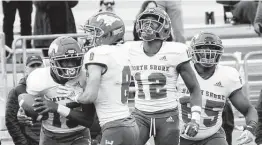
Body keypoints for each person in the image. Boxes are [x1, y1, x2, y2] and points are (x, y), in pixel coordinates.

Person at [128, 7, 202, 145]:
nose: (147, 25)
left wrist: (195, 119)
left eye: (153, 21)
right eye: (145, 21)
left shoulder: (176, 52)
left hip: (167, 115)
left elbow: (194, 88)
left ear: (165, 28)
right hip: (140, 115)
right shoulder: (130, 49)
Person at [176, 32, 258, 145]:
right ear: (193, 51)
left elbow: (249, 109)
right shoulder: (181, 72)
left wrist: (250, 129)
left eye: (213, 48)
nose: (208, 53)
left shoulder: (227, 76)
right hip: (179, 134)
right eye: (203, 48)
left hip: (211, 136)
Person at [75, 11, 139, 145]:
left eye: (95, 33)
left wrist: (74, 96)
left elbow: (90, 96)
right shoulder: (124, 50)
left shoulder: (98, 53)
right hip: (130, 124)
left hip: (114, 127)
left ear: (110, 34)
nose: (90, 37)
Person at [25, 36, 96, 145]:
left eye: (74, 60)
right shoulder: (39, 78)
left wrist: (57, 107)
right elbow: (29, 106)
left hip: (79, 134)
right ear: (53, 62)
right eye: (66, 61)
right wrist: (27, 113)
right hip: (51, 135)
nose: (71, 66)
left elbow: (88, 120)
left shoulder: (85, 76)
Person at [5, 55, 43, 145]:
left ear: (44, 67)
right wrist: (22, 142)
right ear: (26, 69)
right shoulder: (16, 91)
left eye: (38, 65)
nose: (36, 68)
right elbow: (10, 121)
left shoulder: (51, 88)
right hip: (29, 141)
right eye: (32, 66)